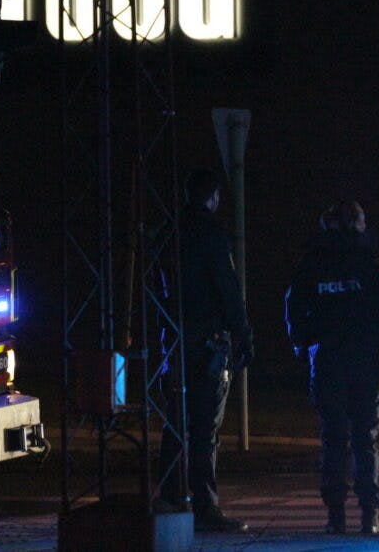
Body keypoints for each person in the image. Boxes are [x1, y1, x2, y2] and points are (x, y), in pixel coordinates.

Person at [284, 200, 379, 535]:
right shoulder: (371, 258)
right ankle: (370, 515)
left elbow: (294, 307)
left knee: (333, 437)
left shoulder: (313, 259)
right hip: (365, 361)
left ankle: (336, 516)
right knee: (364, 437)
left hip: (326, 359)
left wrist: (305, 344)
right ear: (357, 223)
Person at [158, 168, 254, 533]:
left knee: (175, 423)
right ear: (212, 198)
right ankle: (205, 506)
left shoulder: (168, 232)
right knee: (205, 428)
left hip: (174, 341)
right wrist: (244, 334)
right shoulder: (212, 234)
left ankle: (168, 499)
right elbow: (228, 289)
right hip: (208, 343)